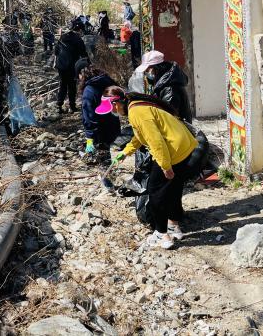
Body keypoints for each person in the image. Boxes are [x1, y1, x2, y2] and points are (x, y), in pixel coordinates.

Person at [99, 88, 198, 250]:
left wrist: (165, 166)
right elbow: (140, 135)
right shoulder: (136, 105)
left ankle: (161, 234)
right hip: (183, 146)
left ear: (116, 103)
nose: (112, 112)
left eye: (111, 108)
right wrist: (125, 152)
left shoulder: (136, 112)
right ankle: (173, 226)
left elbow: (155, 141)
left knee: (155, 191)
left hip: (172, 150)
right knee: (173, 187)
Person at [79, 66, 121, 171]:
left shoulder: (89, 90)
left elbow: (89, 115)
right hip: (113, 125)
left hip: (99, 130)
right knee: (105, 151)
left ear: (83, 75)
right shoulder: (109, 83)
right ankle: (108, 173)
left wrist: (89, 137)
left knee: (102, 156)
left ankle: (107, 177)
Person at [135, 50, 193, 123]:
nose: (146, 74)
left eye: (147, 70)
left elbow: (168, 117)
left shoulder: (170, 89)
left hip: (177, 128)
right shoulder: (163, 85)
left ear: (156, 68)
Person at [54, 19, 89, 113]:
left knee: (63, 84)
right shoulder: (78, 39)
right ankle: (72, 106)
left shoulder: (63, 36)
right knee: (72, 86)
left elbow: (56, 51)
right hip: (71, 66)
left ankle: (59, 106)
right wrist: (89, 63)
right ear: (80, 30)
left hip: (61, 65)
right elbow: (83, 54)